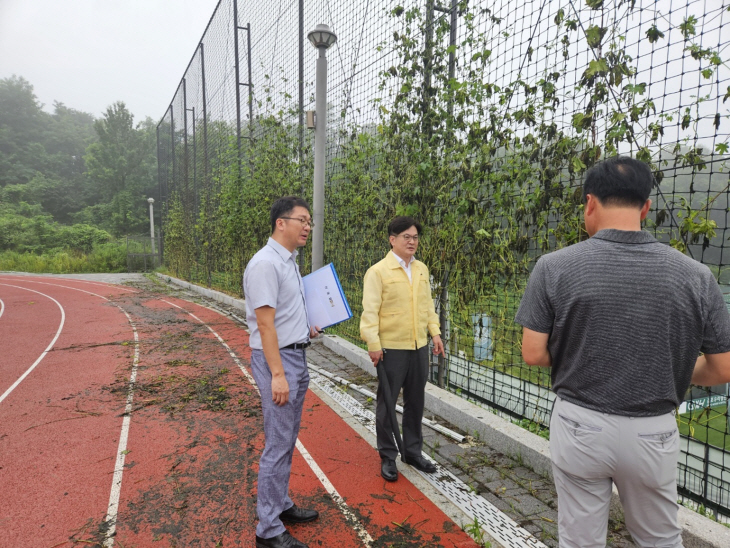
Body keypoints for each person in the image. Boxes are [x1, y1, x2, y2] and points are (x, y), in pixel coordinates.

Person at [515, 156, 730, 548]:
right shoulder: (697, 276)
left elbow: (533, 352)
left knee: (580, 540)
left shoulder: (554, 266)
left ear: (590, 202)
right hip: (653, 432)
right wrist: (673, 366)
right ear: (646, 207)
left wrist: (580, 352)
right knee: (661, 539)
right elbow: (721, 368)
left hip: (579, 425)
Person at [244, 196, 321, 548]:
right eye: (302, 220)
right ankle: (268, 531)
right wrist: (277, 374)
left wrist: (307, 326)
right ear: (281, 223)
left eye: (310, 221)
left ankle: (279, 504)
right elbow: (264, 323)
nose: (307, 227)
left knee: (287, 438)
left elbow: (287, 313)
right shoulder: (264, 264)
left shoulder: (288, 262)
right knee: (277, 444)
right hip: (279, 361)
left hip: (295, 356)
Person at [360, 216, 446, 482]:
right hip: (391, 349)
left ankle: (412, 452)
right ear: (392, 239)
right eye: (406, 237)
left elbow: (427, 306)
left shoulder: (421, 269)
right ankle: (388, 455)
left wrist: (435, 333)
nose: (412, 241)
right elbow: (370, 312)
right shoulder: (378, 272)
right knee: (387, 402)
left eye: (415, 237)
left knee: (415, 401)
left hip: (418, 346)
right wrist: (373, 345)